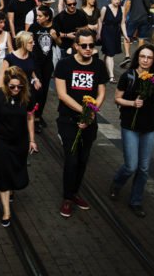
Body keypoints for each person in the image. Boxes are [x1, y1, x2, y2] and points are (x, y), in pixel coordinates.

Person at [54, 29, 108, 218]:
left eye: (91, 46)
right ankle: (67, 198)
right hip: (68, 120)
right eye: (84, 45)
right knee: (72, 159)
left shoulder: (99, 66)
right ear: (76, 45)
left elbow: (101, 92)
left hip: (90, 120)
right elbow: (62, 94)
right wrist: (83, 111)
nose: (87, 49)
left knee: (83, 160)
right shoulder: (64, 65)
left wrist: (92, 112)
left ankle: (75, 192)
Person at [110, 44, 154, 217]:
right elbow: (117, 99)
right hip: (130, 125)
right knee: (131, 166)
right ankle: (117, 183)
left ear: (153, 60)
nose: (145, 60)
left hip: (150, 125)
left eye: (149, 57)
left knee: (143, 168)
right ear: (138, 57)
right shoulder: (128, 76)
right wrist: (132, 103)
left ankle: (136, 201)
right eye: (143, 56)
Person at [0, 66, 38, 227]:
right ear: (6, 84)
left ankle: (11, 189)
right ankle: (6, 211)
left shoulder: (27, 97)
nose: (15, 89)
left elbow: (29, 118)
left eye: (19, 87)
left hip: (19, 141)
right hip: (0, 140)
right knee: (2, 173)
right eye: (12, 86)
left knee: (14, 170)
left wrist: (32, 140)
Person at [28, 6, 55, 130]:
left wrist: (56, 36)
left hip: (47, 64)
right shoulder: (34, 27)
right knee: (36, 90)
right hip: (35, 63)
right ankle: (33, 116)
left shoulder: (53, 28)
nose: (37, 18)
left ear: (47, 17)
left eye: (40, 16)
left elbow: (59, 42)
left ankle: (39, 115)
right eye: (37, 15)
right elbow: (27, 42)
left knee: (44, 92)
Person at [99, 0, 129, 83]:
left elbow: (123, 23)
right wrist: (99, 34)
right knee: (110, 53)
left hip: (116, 33)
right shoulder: (105, 8)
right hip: (106, 32)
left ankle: (103, 70)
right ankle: (111, 76)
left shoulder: (122, 9)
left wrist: (125, 35)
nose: (117, 1)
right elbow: (100, 21)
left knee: (108, 53)